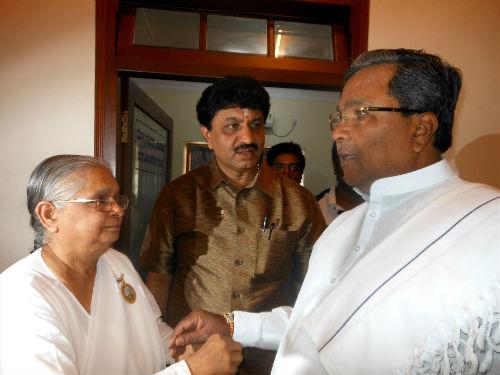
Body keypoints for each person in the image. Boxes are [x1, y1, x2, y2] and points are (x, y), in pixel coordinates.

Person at [167, 49, 500, 374]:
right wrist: (230, 323)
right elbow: (313, 325)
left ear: (421, 129)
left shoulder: (486, 223)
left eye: (361, 113)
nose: (339, 131)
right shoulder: (344, 228)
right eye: (339, 117)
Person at [139, 76, 325, 374]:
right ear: (208, 133)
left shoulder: (300, 202)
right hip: (194, 356)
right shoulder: (178, 196)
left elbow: (310, 288)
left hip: (269, 359)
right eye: (232, 126)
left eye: (256, 125)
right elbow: (159, 277)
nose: (248, 138)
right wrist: (159, 347)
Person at [0, 155, 242, 375]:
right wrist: (191, 371)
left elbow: (150, 329)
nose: (117, 210)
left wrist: (183, 348)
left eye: (117, 198)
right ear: (49, 215)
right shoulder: (22, 295)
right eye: (101, 200)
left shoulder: (116, 263)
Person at [316, 142, 364, 224]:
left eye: (361, 159)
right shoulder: (315, 209)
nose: (355, 167)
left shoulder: (386, 207)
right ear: (335, 166)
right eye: (347, 158)